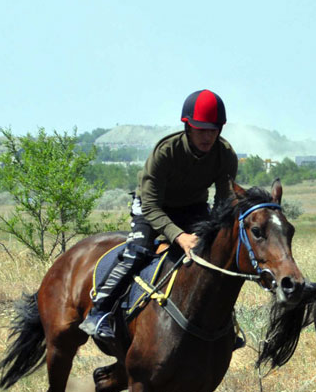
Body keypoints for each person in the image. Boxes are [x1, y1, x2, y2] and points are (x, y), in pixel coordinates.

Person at [79, 89, 239, 342]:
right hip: (152, 207)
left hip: (193, 208)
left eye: (213, 129)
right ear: (187, 127)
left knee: (215, 254)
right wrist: (180, 237)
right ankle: (99, 312)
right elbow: (151, 206)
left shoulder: (225, 155)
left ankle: (226, 326)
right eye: (201, 129)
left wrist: (212, 232)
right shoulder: (166, 151)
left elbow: (222, 202)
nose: (207, 136)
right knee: (139, 252)